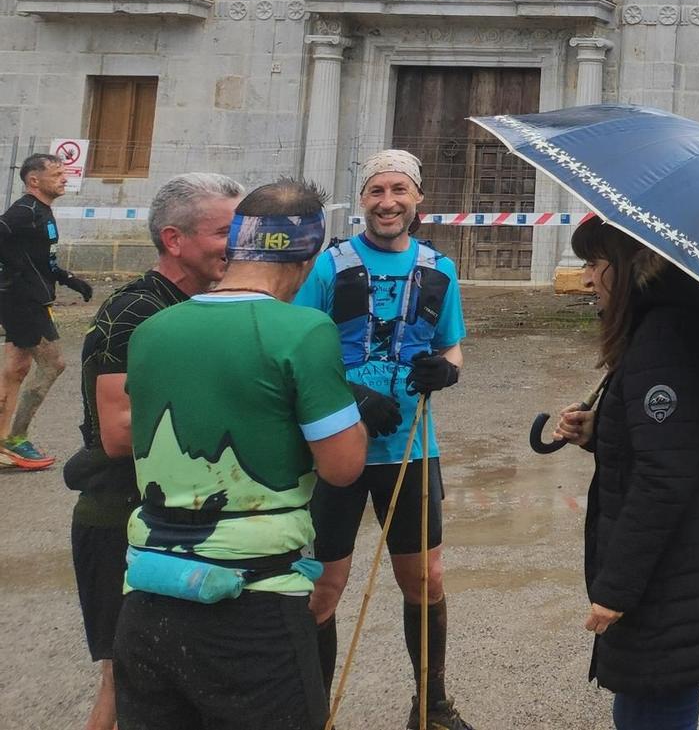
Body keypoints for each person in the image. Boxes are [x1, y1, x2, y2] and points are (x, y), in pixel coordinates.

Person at [114, 180, 369, 730]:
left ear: (238, 245)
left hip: (148, 591)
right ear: (307, 257)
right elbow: (342, 467)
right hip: (252, 599)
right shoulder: (303, 330)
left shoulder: (153, 328)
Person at [555, 216, 699, 730]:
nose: (585, 278)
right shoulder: (666, 325)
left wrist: (616, 588)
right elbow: (672, 439)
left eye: (594, 264)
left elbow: (664, 475)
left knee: (653, 705)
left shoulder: (665, 337)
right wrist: (600, 432)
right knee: (652, 699)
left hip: (670, 575)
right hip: (682, 564)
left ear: (625, 267)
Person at [295, 150, 474, 730]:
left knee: (425, 578)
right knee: (323, 588)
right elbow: (297, 351)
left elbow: (452, 346)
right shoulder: (330, 267)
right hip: (334, 447)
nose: (387, 202)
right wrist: (347, 392)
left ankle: (433, 708)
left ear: (418, 199)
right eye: (376, 191)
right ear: (363, 200)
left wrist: (447, 371)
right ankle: (311, 711)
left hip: (412, 448)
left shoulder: (440, 269)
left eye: (399, 190)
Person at [67, 173, 242, 730]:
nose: (236, 245)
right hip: (119, 518)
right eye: (223, 231)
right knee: (124, 689)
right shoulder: (135, 312)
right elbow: (119, 433)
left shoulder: (199, 306)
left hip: (174, 516)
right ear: (174, 239)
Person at [1, 151, 92, 470]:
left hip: (33, 298)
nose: (64, 178)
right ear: (34, 180)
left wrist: (69, 278)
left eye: (63, 172)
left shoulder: (42, 212)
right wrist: (8, 277)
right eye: (57, 174)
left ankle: (3, 441)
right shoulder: (23, 212)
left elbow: (43, 259)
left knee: (17, 369)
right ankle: (15, 439)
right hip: (22, 301)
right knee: (53, 363)